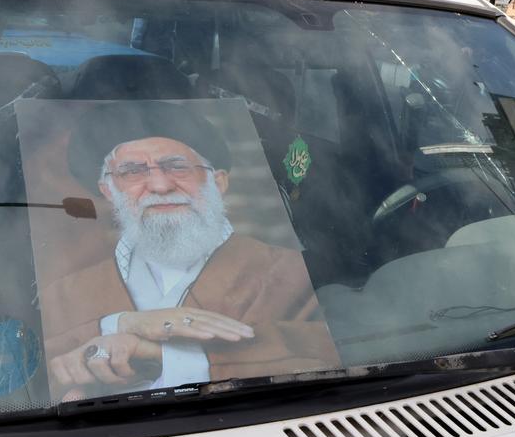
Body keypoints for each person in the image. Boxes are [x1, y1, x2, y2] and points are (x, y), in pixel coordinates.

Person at [41, 101, 339, 400]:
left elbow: (330, 357)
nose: (159, 185)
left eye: (177, 167)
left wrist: (160, 354)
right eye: (132, 171)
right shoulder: (64, 294)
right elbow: (37, 376)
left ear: (218, 181)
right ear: (108, 191)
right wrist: (119, 324)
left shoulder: (292, 273)